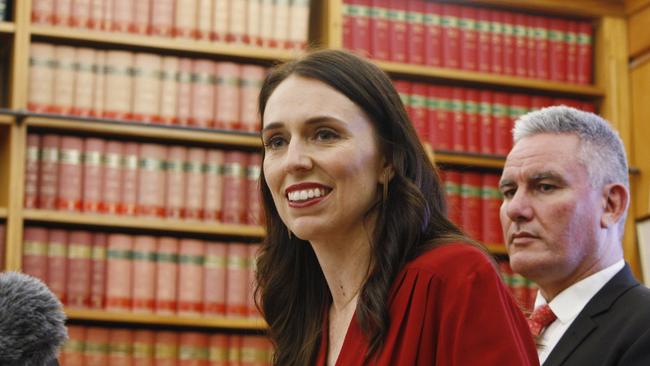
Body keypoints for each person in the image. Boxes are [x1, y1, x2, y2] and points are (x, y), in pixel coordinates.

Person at [254, 49, 538, 366]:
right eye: (276, 141)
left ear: (387, 159)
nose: (294, 161)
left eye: (324, 134)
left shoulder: (454, 277)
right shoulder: (307, 309)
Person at [499, 105, 650, 366]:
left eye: (545, 187)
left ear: (611, 205)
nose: (515, 209)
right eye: (510, 191)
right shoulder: (506, 333)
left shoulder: (643, 328)